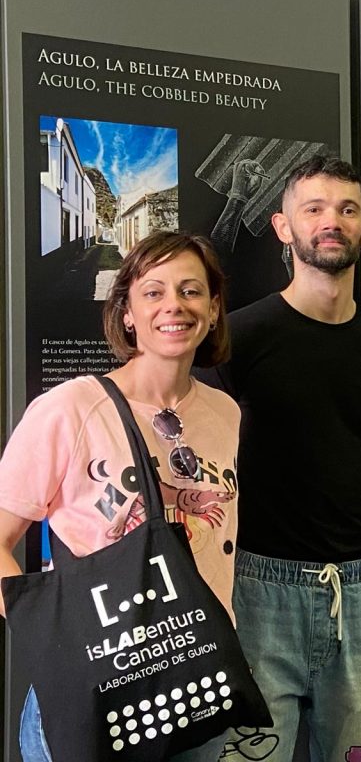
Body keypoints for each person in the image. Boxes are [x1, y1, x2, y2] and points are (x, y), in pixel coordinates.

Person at [198, 155, 361, 761]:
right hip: (257, 587)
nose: (332, 221)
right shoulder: (235, 342)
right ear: (282, 227)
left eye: (347, 209)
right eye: (314, 208)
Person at [0, 230, 238, 762]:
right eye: (153, 292)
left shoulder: (225, 413)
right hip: (100, 690)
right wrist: (55, 647)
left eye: (191, 290)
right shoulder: (70, 409)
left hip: (197, 681)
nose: (173, 305)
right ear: (127, 312)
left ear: (215, 308)